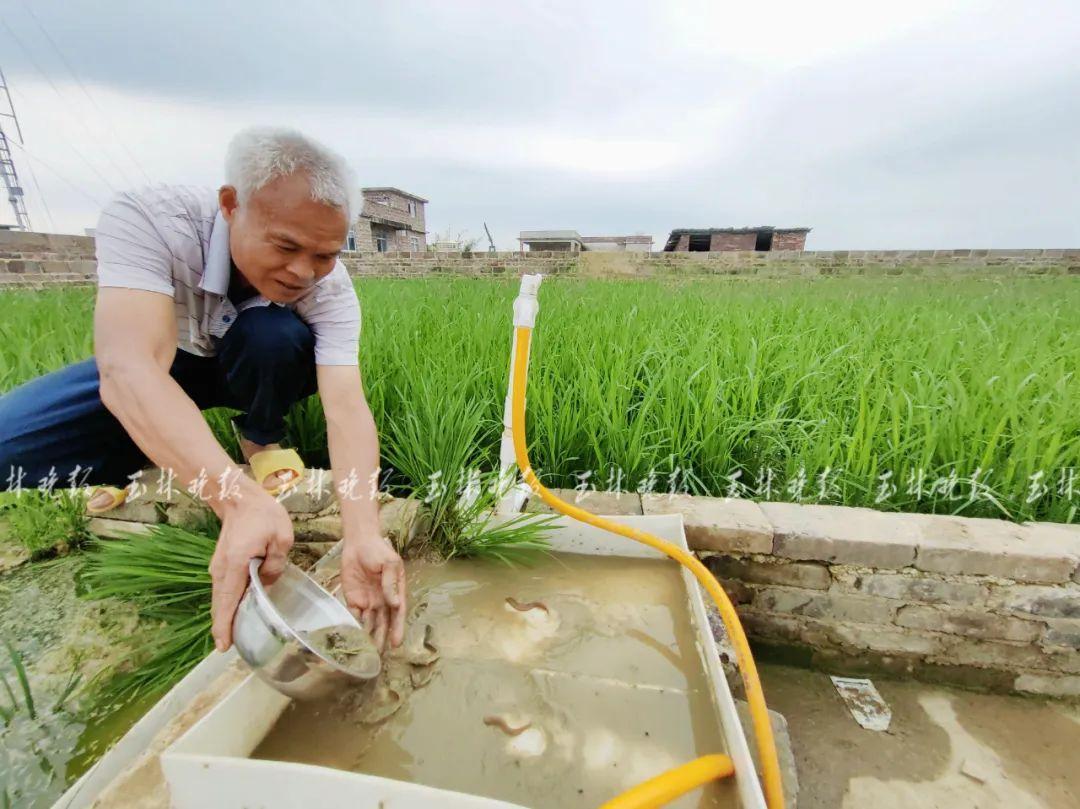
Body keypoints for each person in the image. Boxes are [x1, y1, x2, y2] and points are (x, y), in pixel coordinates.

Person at [0, 127, 406, 653]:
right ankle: (135, 466)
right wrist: (236, 501)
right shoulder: (150, 219)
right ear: (232, 205)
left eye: (324, 255)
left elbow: (346, 407)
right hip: (165, 362)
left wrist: (364, 531)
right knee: (9, 437)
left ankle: (259, 434)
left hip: (254, 358)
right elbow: (129, 369)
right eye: (286, 246)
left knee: (276, 336)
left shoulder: (329, 287)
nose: (304, 271)